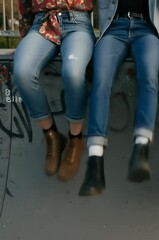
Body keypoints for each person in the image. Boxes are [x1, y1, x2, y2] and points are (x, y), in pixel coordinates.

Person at [78, 0, 159, 196]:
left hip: (147, 29)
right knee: (100, 81)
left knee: (150, 76)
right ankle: (95, 162)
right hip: (113, 29)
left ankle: (141, 149)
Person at [14, 0, 95, 181]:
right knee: (22, 72)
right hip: (42, 24)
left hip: (78, 23)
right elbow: (24, 4)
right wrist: (25, 39)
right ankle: (51, 135)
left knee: (73, 73)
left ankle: (75, 139)